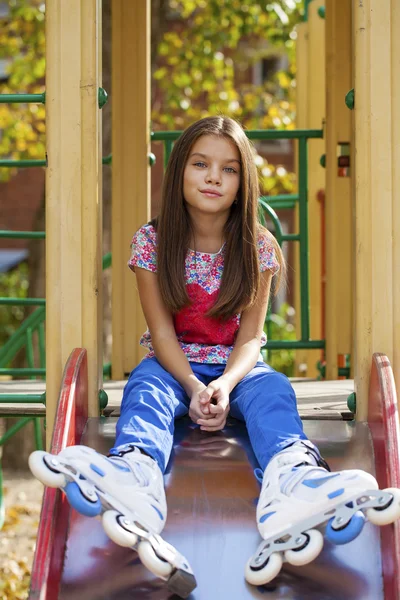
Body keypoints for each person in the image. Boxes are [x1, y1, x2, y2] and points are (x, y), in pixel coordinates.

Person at [29, 116, 399, 597]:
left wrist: (224, 384)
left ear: (243, 181)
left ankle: (293, 478)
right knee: (145, 388)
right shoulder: (152, 242)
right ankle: (136, 473)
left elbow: (250, 339)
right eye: (201, 164)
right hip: (173, 363)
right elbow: (161, 333)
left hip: (236, 368)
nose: (213, 178)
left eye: (229, 169)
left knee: (273, 390)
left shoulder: (259, 247)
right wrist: (191, 385)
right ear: (180, 169)